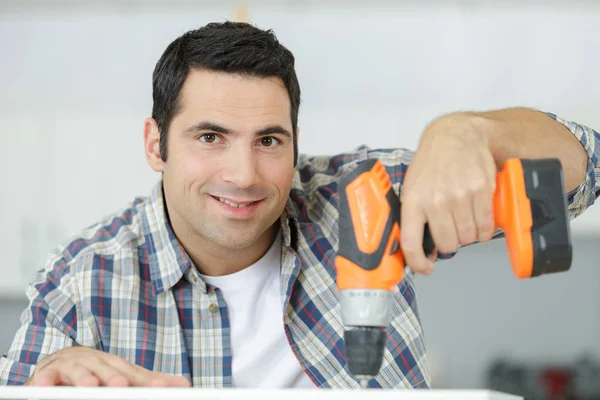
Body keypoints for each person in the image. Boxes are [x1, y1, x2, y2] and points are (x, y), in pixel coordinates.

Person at [0, 21, 598, 389]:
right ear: (157, 144)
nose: (244, 174)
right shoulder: (80, 284)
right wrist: (48, 382)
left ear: (295, 143)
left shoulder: (364, 199)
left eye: (269, 141)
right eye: (211, 137)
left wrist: (469, 133)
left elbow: (587, 163)